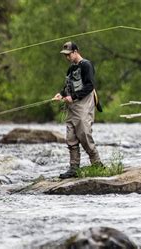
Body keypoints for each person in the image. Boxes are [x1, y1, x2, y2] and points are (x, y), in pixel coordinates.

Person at [53, 41, 103, 179]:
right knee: (70, 138)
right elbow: (68, 87)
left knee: (84, 135)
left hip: (84, 105)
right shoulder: (70, 69)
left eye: (69, 55)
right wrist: (61, 94)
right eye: (65, 55)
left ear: (75, 52)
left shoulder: (86, 65)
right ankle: (74, 168)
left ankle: (97, 164)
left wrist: (73, 96)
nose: (67, 58)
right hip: (72, 107)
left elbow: (89, 86)